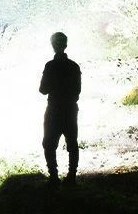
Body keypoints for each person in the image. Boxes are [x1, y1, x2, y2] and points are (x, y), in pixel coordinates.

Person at [39, 31, 81, 186]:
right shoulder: (74, 66)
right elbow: (77, 91)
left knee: (49, 144)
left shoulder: (50, 66)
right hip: (70, 109)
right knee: (72, 143)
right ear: (66, 45)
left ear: (53, 46)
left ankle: (54, 176)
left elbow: (43, 90)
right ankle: (72, 176)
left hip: (54, 110)